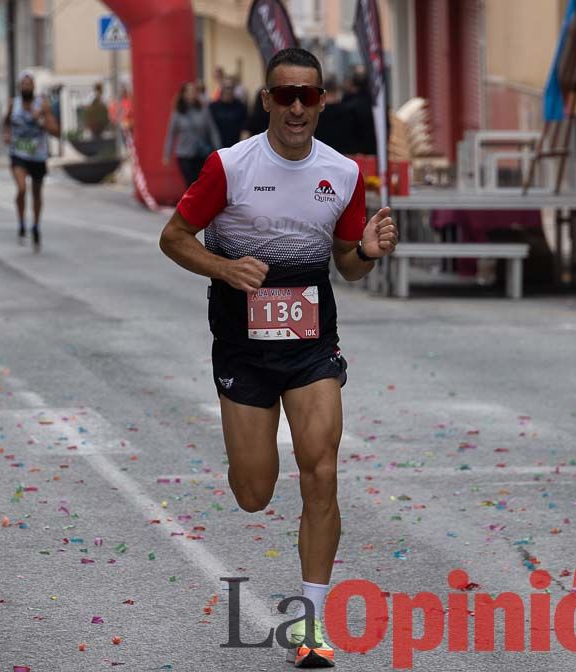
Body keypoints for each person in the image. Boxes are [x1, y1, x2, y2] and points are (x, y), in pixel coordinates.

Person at [159, 47, 399, 669]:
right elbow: (174, 238)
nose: (297, 106)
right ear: (266, 100)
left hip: (312, 345)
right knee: (253, 491)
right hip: (243, 346)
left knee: (322, 470)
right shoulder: (230, 166)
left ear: (323, 102)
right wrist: (223, 266)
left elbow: (345, 263)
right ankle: (249, 462)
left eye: (309, 95)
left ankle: (310, 623)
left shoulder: (342, 174)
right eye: (285, 94)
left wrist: (366, 251)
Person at [5, 72, 59, 252]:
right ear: (19, 87)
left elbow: (56, 131)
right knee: (21, 188)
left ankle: (35, 225)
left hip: (38, 154)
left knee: (36, 193)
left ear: (34, 87)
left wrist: (41, 120)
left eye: (29, 84)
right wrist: (6, 133)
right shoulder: (13, 104)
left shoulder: (42, 105)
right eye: (23, 84)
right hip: (18, 152)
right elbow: (5, 122)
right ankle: (21, 222)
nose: (26, 87)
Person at [163, 81, 221, 187]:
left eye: (193, 92)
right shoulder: (178, 112)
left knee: (200, 183)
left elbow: (212, 130)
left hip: (201, 153)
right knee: (190, 183)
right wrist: (167, 154)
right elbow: (171, 134)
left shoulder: (203, 110)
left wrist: (218, 149)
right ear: (183, 94)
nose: (191, 94)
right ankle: (192, 203)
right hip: (184, 154)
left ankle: (199, 203)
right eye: (188, 92)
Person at [208, 76, 249, 148]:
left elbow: (245, 128)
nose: (228, 90)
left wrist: (241, 146)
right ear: (222, 89)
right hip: (218, 146)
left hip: (236, 146)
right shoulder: (213, 107)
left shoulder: (240, 106)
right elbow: (210, 128)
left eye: (231, 87)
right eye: (226, 87)